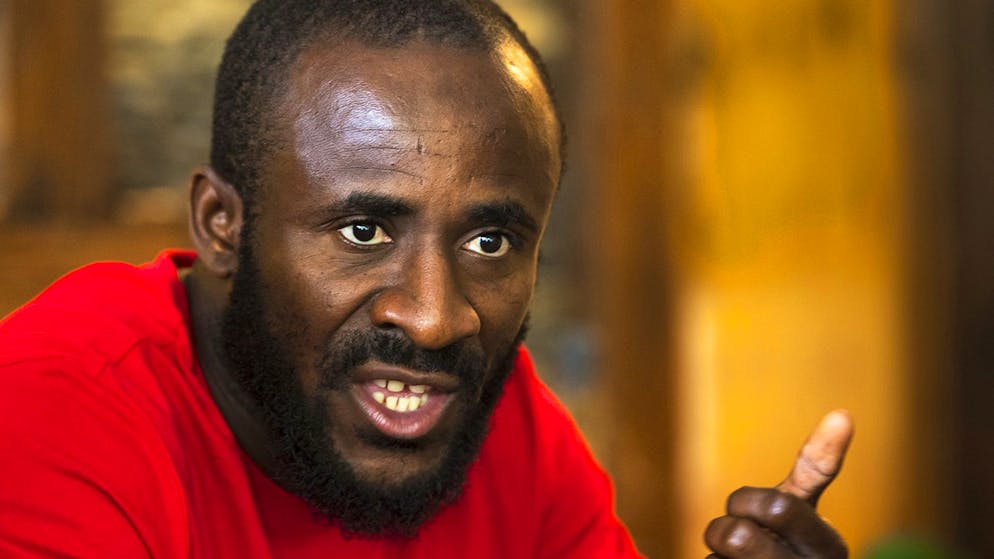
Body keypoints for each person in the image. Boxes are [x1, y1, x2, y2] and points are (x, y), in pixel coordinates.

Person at [0, 1, 853, 557]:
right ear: (223, 225)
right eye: (364, 230)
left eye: (488, 241)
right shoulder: (53, 411)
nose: (437, 319)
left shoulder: (502, 424)